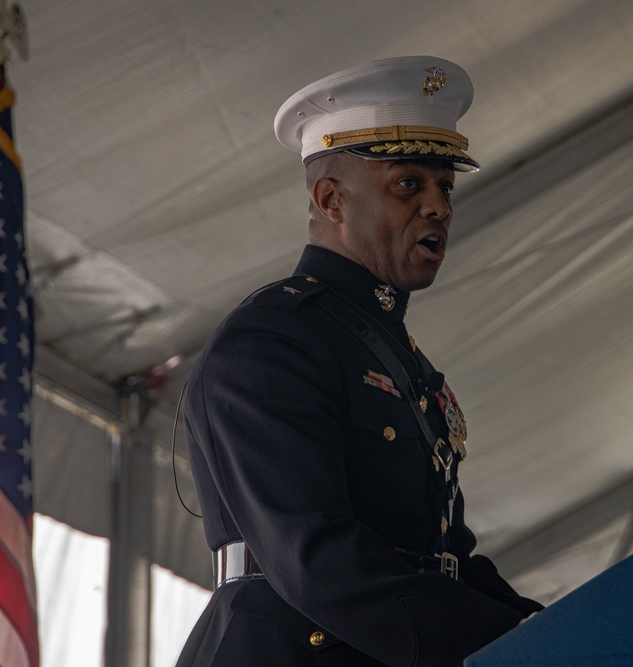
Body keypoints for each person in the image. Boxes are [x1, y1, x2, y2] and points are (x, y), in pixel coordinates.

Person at [177, 55, 542, 667]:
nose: (439, 208)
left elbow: (444, 553)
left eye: (445, 187)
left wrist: (551, 625)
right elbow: (316, 559)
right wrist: (508, 645)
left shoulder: (391, 351)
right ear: (331, 200)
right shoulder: (273, 339)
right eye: (408, 184)